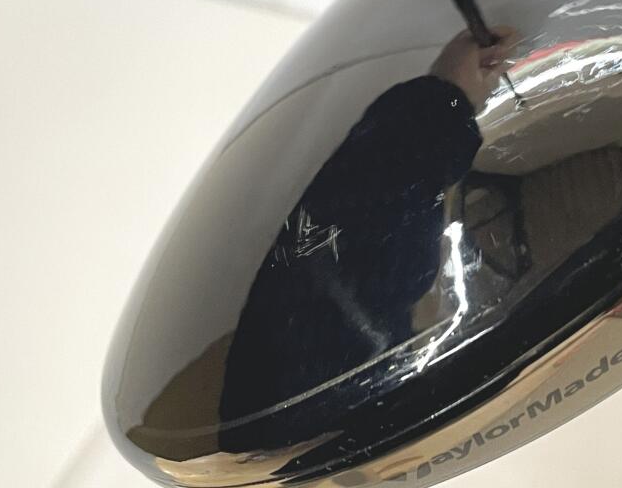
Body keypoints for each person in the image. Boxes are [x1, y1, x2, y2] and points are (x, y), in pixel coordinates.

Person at [219, 27, 517, 428]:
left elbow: (325, 274)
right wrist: (443, 102)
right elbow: (342, 278)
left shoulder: (272, 407)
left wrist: (444, 102)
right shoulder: (300, 402)